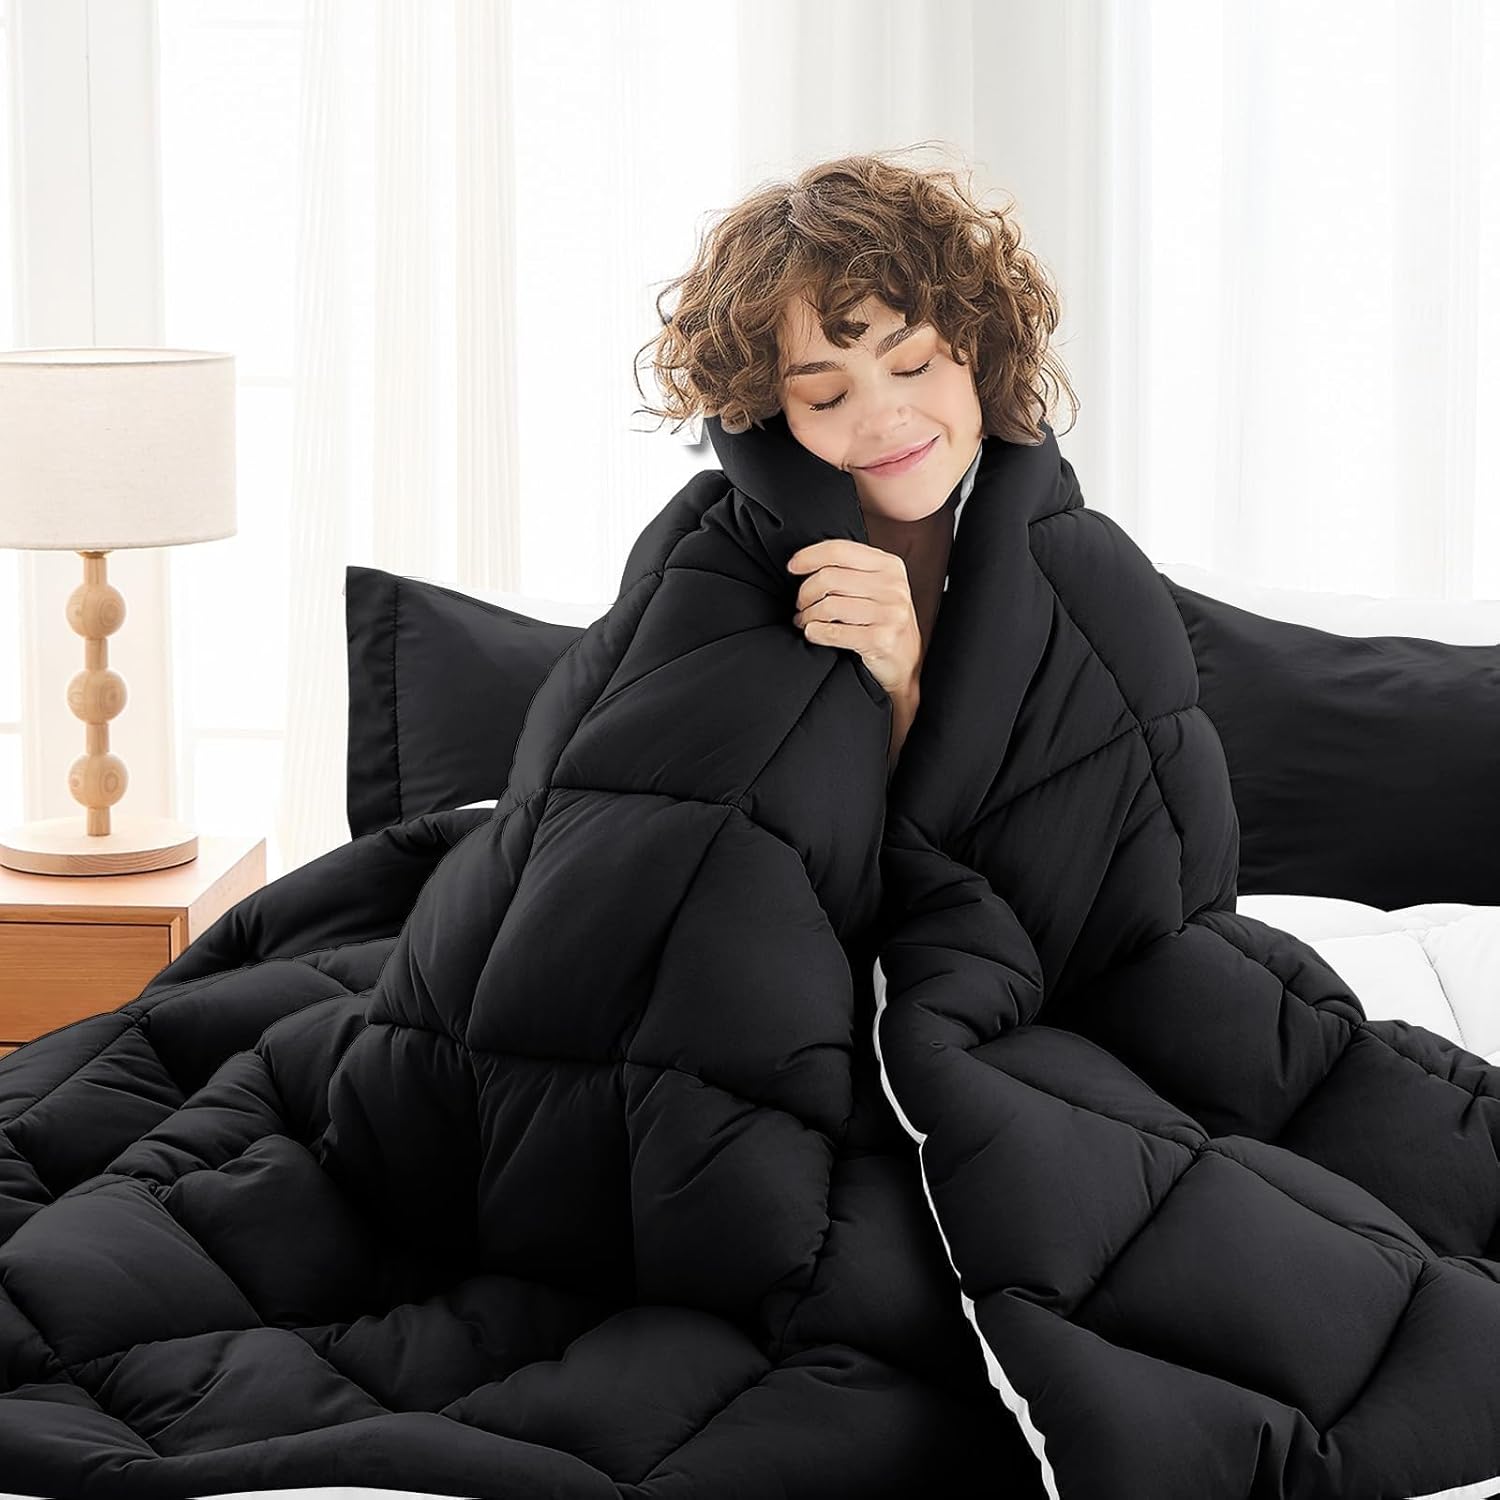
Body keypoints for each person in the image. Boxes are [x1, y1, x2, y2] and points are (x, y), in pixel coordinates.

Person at [634, 145, 1079, 771]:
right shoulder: (702, 557)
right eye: (825, 396)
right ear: (773, 415)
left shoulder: (1085, 571)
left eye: (913, 365)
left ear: (977, 350)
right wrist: (887, 693)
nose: (883, 418)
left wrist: (907, 683)